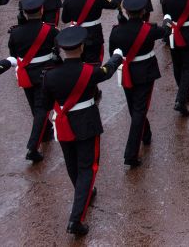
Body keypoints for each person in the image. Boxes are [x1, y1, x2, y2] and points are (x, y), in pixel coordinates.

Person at [41, 26, 124, 236]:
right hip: (86, 121)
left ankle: (83, 191)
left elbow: (45, 104)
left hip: (63, 122)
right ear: (81, 46)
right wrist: (117, 56)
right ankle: (75, 218)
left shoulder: (50, 76)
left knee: (72, 164)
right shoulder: (89, 70)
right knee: (88, 168)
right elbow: (108, 70)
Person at [108, 0, 169, 167]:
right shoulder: (149, 29)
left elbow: (113, 53)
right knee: (139, 110)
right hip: (145, 72)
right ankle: (131, 153)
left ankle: (146, 134)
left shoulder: (116, 31)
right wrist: (166, 20)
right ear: (143, 11)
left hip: (127, 72)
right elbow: (166, 31)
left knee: (134, 108)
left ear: (126, 11)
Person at [0, 0, 57, 162]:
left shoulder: (15, 33)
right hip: (45, 74)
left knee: (35, 107)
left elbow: (14, 54)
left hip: (27, 75)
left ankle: (45, 133)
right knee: (41, 110)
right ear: (42, 10)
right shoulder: (50, 29)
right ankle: (33, 147)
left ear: (24, 13)